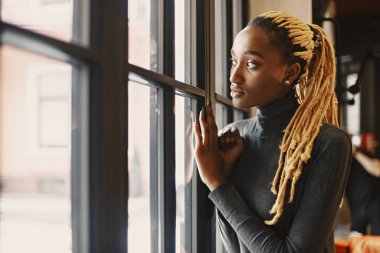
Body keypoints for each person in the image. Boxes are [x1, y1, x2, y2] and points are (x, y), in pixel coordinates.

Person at [193, 11, 352, 252]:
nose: (234, 76)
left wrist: (219, 183)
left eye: (251, 64)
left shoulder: (327, 142)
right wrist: (215, 172)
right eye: (234, 61)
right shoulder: (234, 137)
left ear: (290, 73)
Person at [346, 141, 380, 235]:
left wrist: (356, 152)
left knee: (376, 244)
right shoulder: (346, 158)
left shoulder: (371, 154)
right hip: (355, 209)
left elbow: (377, 170)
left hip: (375, 207)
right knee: (355, 244)